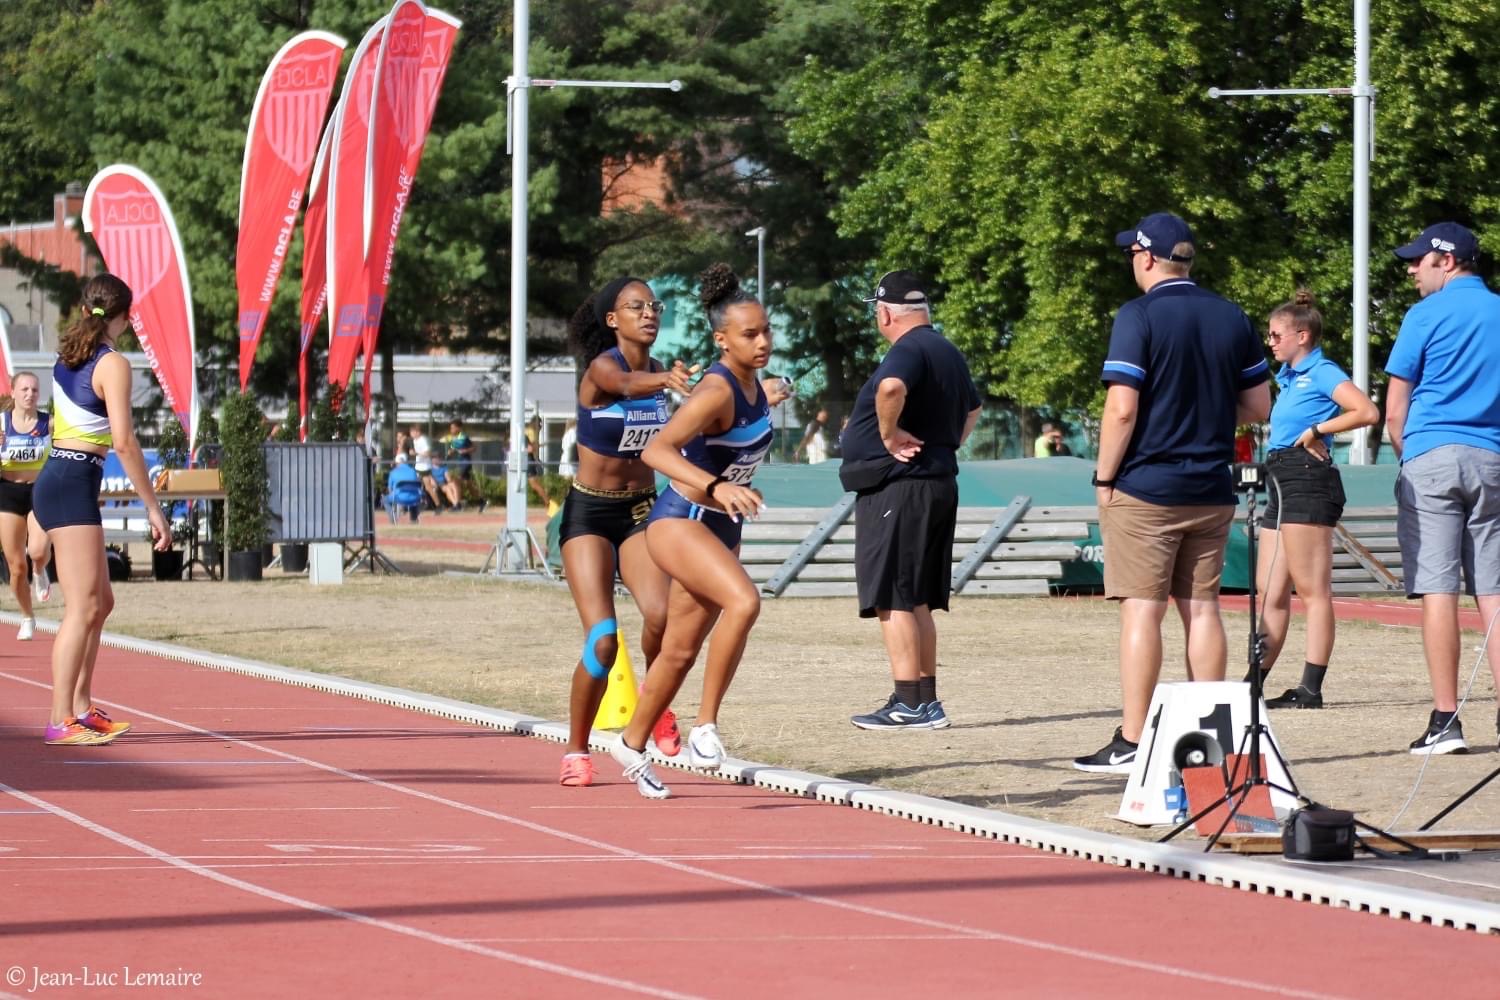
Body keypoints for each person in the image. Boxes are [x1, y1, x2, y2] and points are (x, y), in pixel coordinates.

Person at [1075, 213, 1270, 773]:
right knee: (1203, 610)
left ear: (1144, 258)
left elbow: (1122, 407)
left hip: (1146, 486)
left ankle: (1134, 740)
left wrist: (1105, 477)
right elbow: (1259, 408)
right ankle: (1208, 741)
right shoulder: (1231, 315)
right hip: (1211, 486)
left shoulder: (1137, 315)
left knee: (1142, 611)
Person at [609, 264, 790, 798]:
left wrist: (776, 392)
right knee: (744, 602)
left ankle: (631, 742)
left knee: (680, 652)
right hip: (681, 519)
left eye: (766, 332)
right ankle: (706, 729)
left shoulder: (753, 383)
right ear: (721, 339)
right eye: (749, 335)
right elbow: (656, 449)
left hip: (719, 527)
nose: (762, 343)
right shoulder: (714, 389)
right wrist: (715, 487)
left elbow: (750, 416)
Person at [557, 276, 696, 789]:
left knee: (661, 615)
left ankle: (655, 709)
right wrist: (667, 384)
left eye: (654, 306)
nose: (649, 314)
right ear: (612, 319)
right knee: (603, 642)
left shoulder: (662, 372)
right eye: (635, 307)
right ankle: (576, 749)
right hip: (590, 515)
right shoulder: (603, 369)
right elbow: (622, 386)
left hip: (640, 510)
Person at [34, 274, 170, 746]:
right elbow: (125, 442)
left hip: (65, 477)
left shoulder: (68, 354)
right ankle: (59, 718)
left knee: (101, 603)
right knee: (83, 607)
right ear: (124, 318)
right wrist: (152, 507)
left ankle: (80, 707)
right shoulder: (112, 362)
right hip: (71, 480)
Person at [841, 270, 981, 730]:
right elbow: (974, 409)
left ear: (884, 312)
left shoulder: (909, 350)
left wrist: (888, 435)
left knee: (895, 595)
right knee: (915, 595)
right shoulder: (946, 350)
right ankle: (924, 700)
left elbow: (890, 389)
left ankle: (909, 704)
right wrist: (947, 444)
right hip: (934, 480)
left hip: (901, 485)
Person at [1385, 222, 1500, 755]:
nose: (1411, 270)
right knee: (1494, 593)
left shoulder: (1424, 315)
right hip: (1492, 458)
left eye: (1418, 261)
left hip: (1432, 455)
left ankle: (1446, 720)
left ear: (1447, 261)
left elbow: (1395, 406)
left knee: (1438, 588)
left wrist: (1410, 458)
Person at [1254, 290, 1379, 710]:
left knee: (1312, 591)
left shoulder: (1322, 371)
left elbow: (1366, 411)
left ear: (1301, 335)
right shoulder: (1289, 378)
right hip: (1281, 476)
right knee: (1269, 589)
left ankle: (1310, 688)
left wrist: (1319, 430)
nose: (1270, 342)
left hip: (1307, 478)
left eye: (1276, 335)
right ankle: (1251, 685)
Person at [0, 372, 52, 639]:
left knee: (38, 550)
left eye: (34, 390)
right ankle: (27, 616)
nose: (30, 394)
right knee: (16, 568)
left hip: (38, 491)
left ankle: (40, 569)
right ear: (13, 393)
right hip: (7, 494)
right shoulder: (1, 424)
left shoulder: (49, 424)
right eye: (24, 390)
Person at [384, 453, 423, 522]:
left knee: (385, 500)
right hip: (415, 498)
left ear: (397, 462)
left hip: (399, 497)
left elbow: (390, 489)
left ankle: (393, 519)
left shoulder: (393, 472)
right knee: (411, 494)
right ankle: (413, 518)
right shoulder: (413, 471)